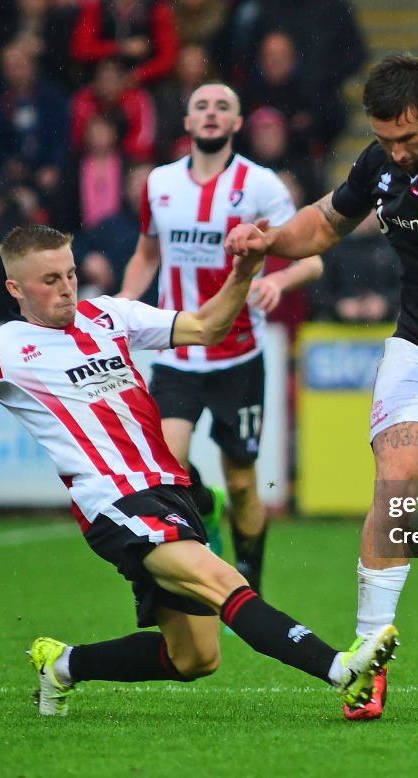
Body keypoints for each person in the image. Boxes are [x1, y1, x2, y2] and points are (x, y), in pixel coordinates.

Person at [0, 224, 398, 718]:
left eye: (69, 274)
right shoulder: (3, 349)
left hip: (170, 492)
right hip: (114, 505)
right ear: (15, 288)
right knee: (222, 581)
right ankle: (339, 668)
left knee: (196, 658)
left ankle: (63, 665)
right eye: (50, 281)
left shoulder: (106, 315)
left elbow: (205, 327)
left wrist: (242, 271)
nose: (66, 288)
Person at [226, 54, 418, 722]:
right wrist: (271, 238)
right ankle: (368, 660)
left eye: (406, 137)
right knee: (395, 487)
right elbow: (326, 223)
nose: (395, 152)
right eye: (383, 138)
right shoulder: (378, 161)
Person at [118, 83, 322, 593]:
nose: (211, 114)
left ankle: (249, 577)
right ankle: (204, 516)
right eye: (201, 107)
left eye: (223, 107)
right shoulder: (160, 183)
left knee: (243, 482)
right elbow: (147, 254)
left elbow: (313, 258)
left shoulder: (260, 184)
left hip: (239, 357)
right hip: (178, 351)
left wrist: (275, 279)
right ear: (186, 123)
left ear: (236, 124)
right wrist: (118, 311)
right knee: (170, 464)